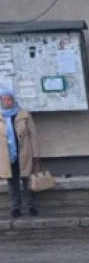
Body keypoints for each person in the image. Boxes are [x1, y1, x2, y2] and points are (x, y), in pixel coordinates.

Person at [0, 88, 39, 218]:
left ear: (13, 100)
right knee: (12, 182)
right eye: (4, 99)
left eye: (9, 99)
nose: (7, 102)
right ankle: (15, 207)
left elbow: (33, 135)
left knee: (27, 180)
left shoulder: (24, 114)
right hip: (8, 156)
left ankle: (32, 206)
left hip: (24, 153)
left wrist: (36, 154)